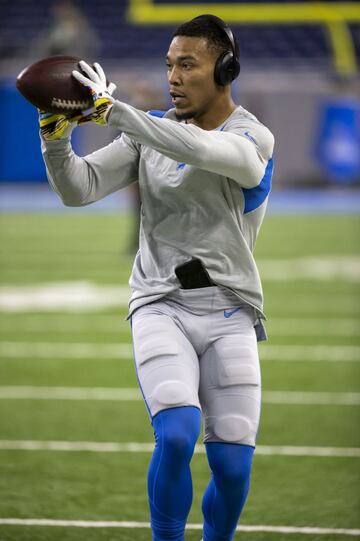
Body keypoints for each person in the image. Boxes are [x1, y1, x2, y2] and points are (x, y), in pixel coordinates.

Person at [39, 14, 274, 541]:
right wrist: (56, 141)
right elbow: (80, 188)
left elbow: (202, 150)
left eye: (187, 64)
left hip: (230, 308)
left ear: (225, 70)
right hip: (160, 302)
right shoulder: (149, 130)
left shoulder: (253, 137)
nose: (173, 76)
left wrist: (115, 112)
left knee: (233, 464)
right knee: (176, 433)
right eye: (169, 64)